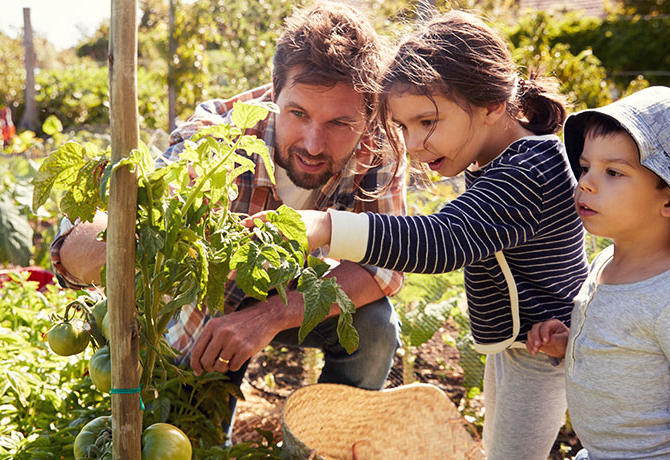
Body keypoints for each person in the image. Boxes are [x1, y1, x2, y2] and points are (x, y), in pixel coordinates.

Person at [253, 11, 591, 460]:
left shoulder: (528, 172)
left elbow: (441, 239)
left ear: (492, 105)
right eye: (404, 126)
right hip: (524, 345)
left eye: (427, 122)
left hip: (543, 351)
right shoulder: (504, 161)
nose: (412, 144)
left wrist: (326, 227)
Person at [52, 2, 406, 397]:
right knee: (194, 431)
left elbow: (384, 266)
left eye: (339, 123)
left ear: (369, 113)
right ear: (274, 92)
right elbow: (141, 212)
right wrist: (97, 243)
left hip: (297, 294)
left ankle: (328, 442)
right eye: (298, 113)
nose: (313, 143)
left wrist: (270, 315)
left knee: (375, 327)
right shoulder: (218, 136)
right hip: (211, 310)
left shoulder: (380, 146)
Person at [526, 86, 670, 459]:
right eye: (586, 167)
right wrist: (571, 342)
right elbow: (628, 351)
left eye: (614, 172)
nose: (585, 182)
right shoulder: (606, 262)